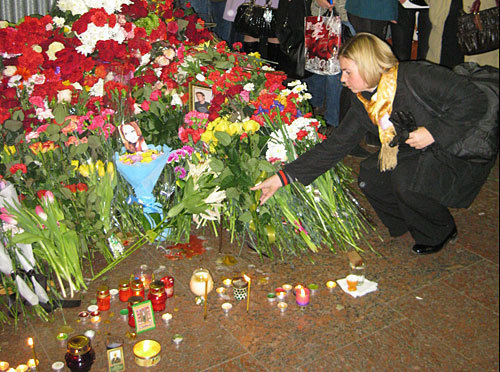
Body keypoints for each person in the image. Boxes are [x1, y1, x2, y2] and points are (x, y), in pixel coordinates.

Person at [252, 33, 496, 255]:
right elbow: (335, 146)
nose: (342, 79)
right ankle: (407, 222)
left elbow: (474, 101)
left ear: (368, 65)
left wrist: (434, 132)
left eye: (348, 72)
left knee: (406, 182)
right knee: (370, 176)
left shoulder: (416, 76)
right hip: (419, 147)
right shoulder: (364, 99)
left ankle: (440, 229)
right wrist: (282, 178)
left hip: (455, 144)